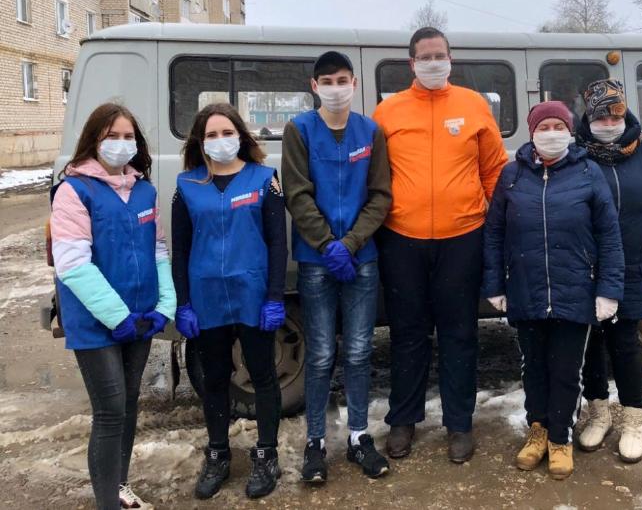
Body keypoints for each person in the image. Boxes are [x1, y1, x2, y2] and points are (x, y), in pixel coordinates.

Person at [372, 27, 509, 463]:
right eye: (425, 57)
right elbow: (374, 175)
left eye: (440, 55)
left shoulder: (473, 105)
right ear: (411, 63)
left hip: (462, 238)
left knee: (459, 333)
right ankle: (403, 420)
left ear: (451, 59)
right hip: (402, 239)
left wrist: (499, 226)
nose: (434, 63)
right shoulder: (388, 111)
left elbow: (494, 170)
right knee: (407, 333)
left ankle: (460, 423)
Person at [481, 100, 624, 480]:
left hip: (575, 288)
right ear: (532, 133)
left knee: (566, 370)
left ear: (569, 130)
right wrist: (495, 284)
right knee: (534, 368)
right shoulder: (512, 175)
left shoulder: (588, 173)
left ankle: (561, 438)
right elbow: (494, 233)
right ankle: (538, 431)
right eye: (543, 127)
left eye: (558, 126)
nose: (551, 134)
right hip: (526, 289)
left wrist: (608, 290)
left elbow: (609, 236)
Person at [50, 103, 176, 509]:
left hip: (139, 318)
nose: (121, 144)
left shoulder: (144, 190)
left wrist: (165, 304)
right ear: (93, 140)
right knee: (109, 411)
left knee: (128, 404)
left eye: (128, 137)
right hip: (96, 322)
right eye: (112, 136)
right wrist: (116, 316)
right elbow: (73, 264)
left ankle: (119, 488)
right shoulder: (74, 191)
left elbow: (158, 250)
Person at [281, 51, 392, 483]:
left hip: (361, 257)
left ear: (354, 84)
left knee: (361, 350)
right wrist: (328, 245)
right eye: (326, 82)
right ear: (314, 87)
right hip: (316, 260)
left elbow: (380, 195)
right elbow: (297, 194)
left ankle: (359, 436)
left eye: (342, 80)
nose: (335, 88)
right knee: (322, 352)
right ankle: (315, 442)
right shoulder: (299, 130)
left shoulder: (370, 131)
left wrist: (350, 244)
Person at [171, 103, 287, 500]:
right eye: (211, 135)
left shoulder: (264, 179)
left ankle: (267, 454)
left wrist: (275, 297)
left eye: (227, 132)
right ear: (200, 142)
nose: (220, 140)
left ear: (240, 135)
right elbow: (180, 250)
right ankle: (218, 453)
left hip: (253, 295)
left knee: (263, 375)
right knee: (216, 378)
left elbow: (277, 243)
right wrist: (183, 302)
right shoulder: (187, 185)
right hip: (207, 299)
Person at [575, 79, 642, 463]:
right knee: (590, 346)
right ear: (588, 118)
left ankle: (634, 418)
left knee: (626, 344)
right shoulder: (576, 156)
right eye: (600, 116)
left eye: (614, 115)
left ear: (625, 113)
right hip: (586, 269)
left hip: (632, 267)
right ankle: (599, 413)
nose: (608, 123)